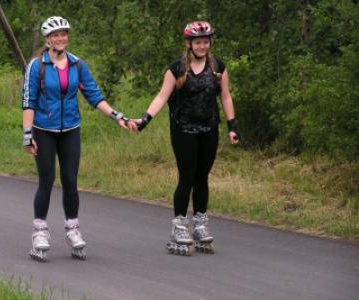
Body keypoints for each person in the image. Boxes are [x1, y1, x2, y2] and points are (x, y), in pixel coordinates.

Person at [22, 16, 135, 261]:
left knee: (70, 180)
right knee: (47, 179)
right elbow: (28, 101)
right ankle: (39, 231)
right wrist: (27, 134)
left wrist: (118, 117)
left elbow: (95, 96)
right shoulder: (36, 65)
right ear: (47, 39)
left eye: (64, 34)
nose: (60, 38)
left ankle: (72, 229)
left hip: (71, 129)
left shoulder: (77, 65)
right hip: (44, 130)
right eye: (55, 35)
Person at [133, 21, 240, 255]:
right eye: (198, 42)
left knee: (202, 176)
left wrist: (232, 125)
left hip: (209, 128)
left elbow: (226, 97)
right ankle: (179, 225)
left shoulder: (218, 67)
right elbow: (162, 97)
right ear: (189, 44)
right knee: (187, 176)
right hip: (183, 130)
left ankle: (200, 224)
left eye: (206, 41)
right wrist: (145, 119)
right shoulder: (177, 69)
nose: (202, 45)